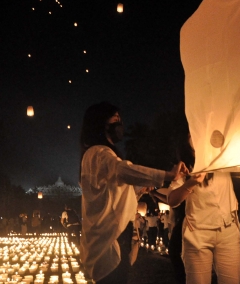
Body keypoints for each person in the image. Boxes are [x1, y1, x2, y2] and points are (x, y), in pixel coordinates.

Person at [79, 101, 188, 284]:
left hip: (112, 236)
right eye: (116, 119)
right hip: (110, 239)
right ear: (101, 123)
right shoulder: (99, 153)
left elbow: (113, 194)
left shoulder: (97, 154)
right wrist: (168, 175)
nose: (120, 124)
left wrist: (136, 192)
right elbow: (123, 170)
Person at [168, 169, 240, 284]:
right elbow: (172, 199)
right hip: (197, 233)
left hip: (228, 230)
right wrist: (191, 182)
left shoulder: (224, 159)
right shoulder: (189, 165)